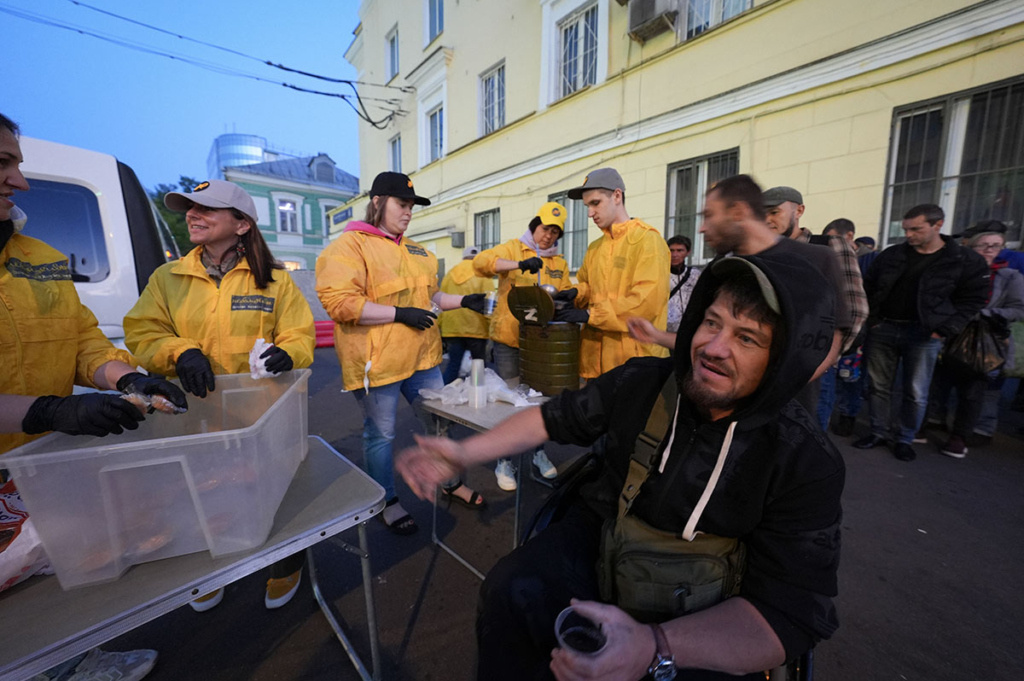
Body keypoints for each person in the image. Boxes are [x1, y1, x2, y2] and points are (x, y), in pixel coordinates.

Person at [397, 252, 842, 681]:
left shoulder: (803, 459)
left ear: (783, 360)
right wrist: (464, 453)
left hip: (712, 606)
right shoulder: (643, 382)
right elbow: (554, 418)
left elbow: (788, 614)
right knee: (510, 590)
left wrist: (656, 645)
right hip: (607, 535)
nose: (714, 347)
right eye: (711, 322)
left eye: (747, 338)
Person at [1, 113, 179, 681]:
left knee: (53, 585)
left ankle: (72, 663)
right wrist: (52, 409)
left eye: (18, 163)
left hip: (34, 467)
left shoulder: (40, 256)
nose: (21, 181)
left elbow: (82, 339)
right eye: (3, 163)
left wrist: (124, 378)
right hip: (32, 441)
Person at [123, 178, 315, 612]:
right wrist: (180, 350)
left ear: (242, 224)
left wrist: (289, 353)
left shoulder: (276, 281)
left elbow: (299, 334)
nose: (192, 214)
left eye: (206, 208)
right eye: (189, 207)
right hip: (196, 414)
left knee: (275, 492)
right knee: (199, 492)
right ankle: (210, 571)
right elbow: (142, 333)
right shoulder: (167, 277)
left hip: (263, 412)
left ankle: (284, 564)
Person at [316, 172, 488, 534]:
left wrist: (464, 301)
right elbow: (339, 304)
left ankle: (449, 482)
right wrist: (399, 314)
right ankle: (385, 499)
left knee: (439, 424)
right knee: (381, 435)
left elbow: (432, 298)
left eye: (411, 206)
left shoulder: (417, 251)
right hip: (377, 364)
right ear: (378, 202)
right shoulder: (349, 246)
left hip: (422, 360)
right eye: (401, 204)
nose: (408, 212)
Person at [854, 204, 989, 461]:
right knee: (877, 386)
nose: (909, 235)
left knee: (916, 392)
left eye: (916, 229)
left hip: (925, 333)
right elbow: (868, 286)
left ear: (937, 225)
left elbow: (973, 299)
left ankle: (905, 438)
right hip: (884, 327)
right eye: (906, 229)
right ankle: (878, 431)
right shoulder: (892, 255)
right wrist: (871, 320)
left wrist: (945, 329)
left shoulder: (962, 259)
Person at [473, 202, 571, 490]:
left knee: (538, 401)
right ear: (534, 225)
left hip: (541, 344)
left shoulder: (559, 263)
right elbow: (481, 264)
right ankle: (505, 460)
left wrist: (569, 295)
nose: (548, 236)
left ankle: (537, 452)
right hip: (509, 341)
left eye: (555, 232)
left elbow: (561, 294)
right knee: (510, 400)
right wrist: (519, 265)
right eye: (544, 228)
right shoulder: (512, 249)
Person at [763, 187, 867, 430]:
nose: (767, 219)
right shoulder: (763, 250)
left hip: (812, 363)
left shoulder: (829, 246)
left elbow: (855, 309)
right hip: (770, 359)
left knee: (808, 434)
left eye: (775, 212)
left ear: (799, 211)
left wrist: (827, 359)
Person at [552, 168, 670, 379]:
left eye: (595, 203)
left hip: (635, 364)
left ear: (617, 195)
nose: (590, 213)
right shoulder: (596, 247)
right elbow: (590, 286)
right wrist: (575, 294)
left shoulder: (647, 241)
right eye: (587, 206)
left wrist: (590, 315)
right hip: (594, 363)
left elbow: (646, 303)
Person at [925, 229, 1024, 457]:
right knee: (939, 382)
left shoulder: (1011, 277)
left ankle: (961, 436)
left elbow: (1018, 310)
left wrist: (982, 313)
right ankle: (935, 419)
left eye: (995, 245)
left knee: (973, 391)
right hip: (951, 336)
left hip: (985, 340)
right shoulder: (958, 273)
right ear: (972, 248)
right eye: (984, 245)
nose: (989, 249)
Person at [439, 246, 494, 385]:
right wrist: (491, 326)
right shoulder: (482, 274)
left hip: (452, 328)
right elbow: (489, 303)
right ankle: (478, 395)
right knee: (478, 367)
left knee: (453, 364)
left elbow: (440, 300)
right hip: (476, 328)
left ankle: (443, 394)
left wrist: (439, 326)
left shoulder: (450, 274)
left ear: (464, 257)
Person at [666, 235, 700, 334]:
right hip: (666, 331)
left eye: (680, 250)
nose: (675, 254)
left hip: (690, 329)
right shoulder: (660, 274)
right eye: (671, 250)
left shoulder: (695, 274)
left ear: (688, 252)